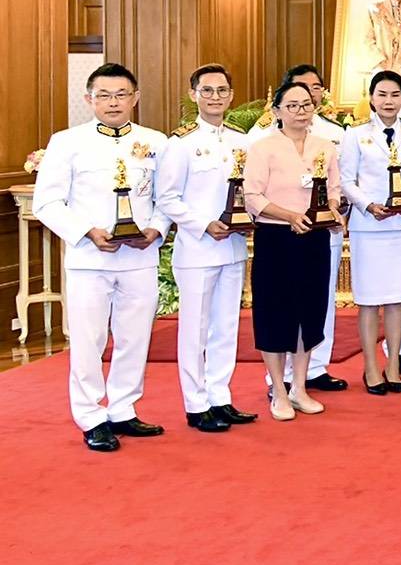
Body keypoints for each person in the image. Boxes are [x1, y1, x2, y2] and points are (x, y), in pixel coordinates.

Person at [33, 63, 170, 451]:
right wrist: (86, 232)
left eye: (121, 94)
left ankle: (123, 408)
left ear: (135, 98)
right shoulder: (67, 142)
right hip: (89, 260)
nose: (113, 102)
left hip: (138, 257)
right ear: (89, 99)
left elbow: (167, 196)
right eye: (104, 95)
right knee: (89, 340)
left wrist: (156, 228)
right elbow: (47, 202)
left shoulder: (155, 142)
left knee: (134, 337)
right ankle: (91, 416)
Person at [155, 63, 256, 431]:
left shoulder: (242, 141)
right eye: (207, 90)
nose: (215, 97)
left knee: (226, 327)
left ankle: (220, 397)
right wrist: (202, 224)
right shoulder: (180, 143)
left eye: (222, 90)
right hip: (198, 250)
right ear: (193, 95)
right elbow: (167, 197)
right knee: (194, 330)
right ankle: (196, 404)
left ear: (231, 96)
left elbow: (250, 192)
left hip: (233, 248)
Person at [243, 81, 343, 421]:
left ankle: (300, 387)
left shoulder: (325, 146)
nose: (301, 111)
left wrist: (333, 210)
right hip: (276, 239)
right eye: (292, 105)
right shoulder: (263, 148)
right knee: (275, 313)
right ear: (277, 111)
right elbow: (252, 197)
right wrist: (289, 216)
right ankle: (279, 390)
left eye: (306, 105)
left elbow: (333, 190)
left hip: (314, 239)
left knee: (309, 312)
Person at [339, 70, 401, 394]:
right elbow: (347, 180)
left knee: (397, 299)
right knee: (369, 300)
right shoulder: (355, 135)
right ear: (372, 98)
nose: (389, 101)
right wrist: (368, 205)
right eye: (382, 94)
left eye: (395, 95)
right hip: (370, 226)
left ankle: (392, 365)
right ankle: (371, 367)